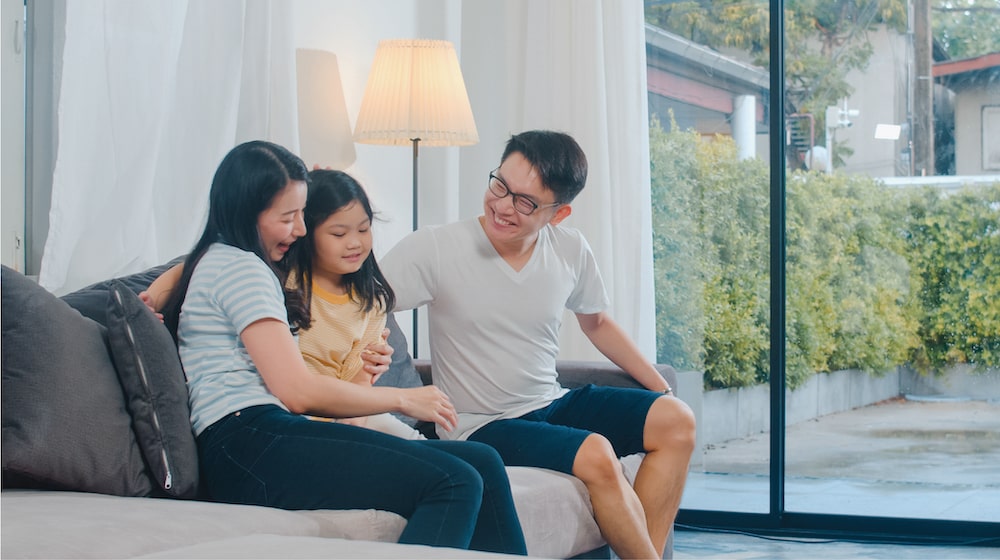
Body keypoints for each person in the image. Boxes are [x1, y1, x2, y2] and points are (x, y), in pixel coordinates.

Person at [157, 140, 526, 555]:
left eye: (301, 215)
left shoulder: (227, 261)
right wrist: (404, 398)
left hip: (257, 437)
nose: (299, 229)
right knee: (455, 480)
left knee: (481, 461)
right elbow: (296, 392)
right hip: (248, 440)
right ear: (248, 212)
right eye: (288, 217)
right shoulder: (242, 269)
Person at [379, 130, 696, 559]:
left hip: (550, 402)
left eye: (525, 202)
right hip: (479, 424)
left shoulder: (569, 248)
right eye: (499, 186)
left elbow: (597, 323)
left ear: (559, 213)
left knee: (677, 420)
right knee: (596, 453)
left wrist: (659, 388)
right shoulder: (436, 247)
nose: (503, 206)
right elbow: (363, 302)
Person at [290, 168, 423, 439]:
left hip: (349, 413)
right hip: (297, 422)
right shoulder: (286, 285)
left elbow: (357, 389)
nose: (355, 243)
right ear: (306, 232)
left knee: (461, 460)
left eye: (363, 229)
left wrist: (365, 376)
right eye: (338, 234)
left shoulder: (371, 301)